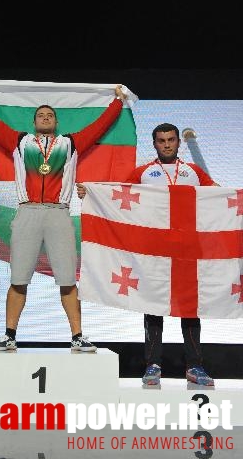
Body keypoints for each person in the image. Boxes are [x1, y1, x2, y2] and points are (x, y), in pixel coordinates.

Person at [0, 80, 128, 352]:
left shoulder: (70, 144)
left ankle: (77, 337)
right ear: (35, 121)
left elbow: (99, 126)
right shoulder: (19, 142)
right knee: (18, 278)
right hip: (27, 212)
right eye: (41, 115)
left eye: (50, 115)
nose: (46, 118)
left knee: (67, 278)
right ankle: (9, 335)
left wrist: (118, 101)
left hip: (58, 214)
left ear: (56, 121)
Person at [77, 122, 217, 386]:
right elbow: (116, 195)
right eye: (161, 140)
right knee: (153, 306)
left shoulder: (193, 172)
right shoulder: (143, 173)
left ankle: (195, 366)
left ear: (177, 142)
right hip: (154, 250)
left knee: (190, 307)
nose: (166, 144)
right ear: (154, 144)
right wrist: (92, 192)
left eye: (171, 140)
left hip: (187, 250)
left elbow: (216, 195)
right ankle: (152, 365)